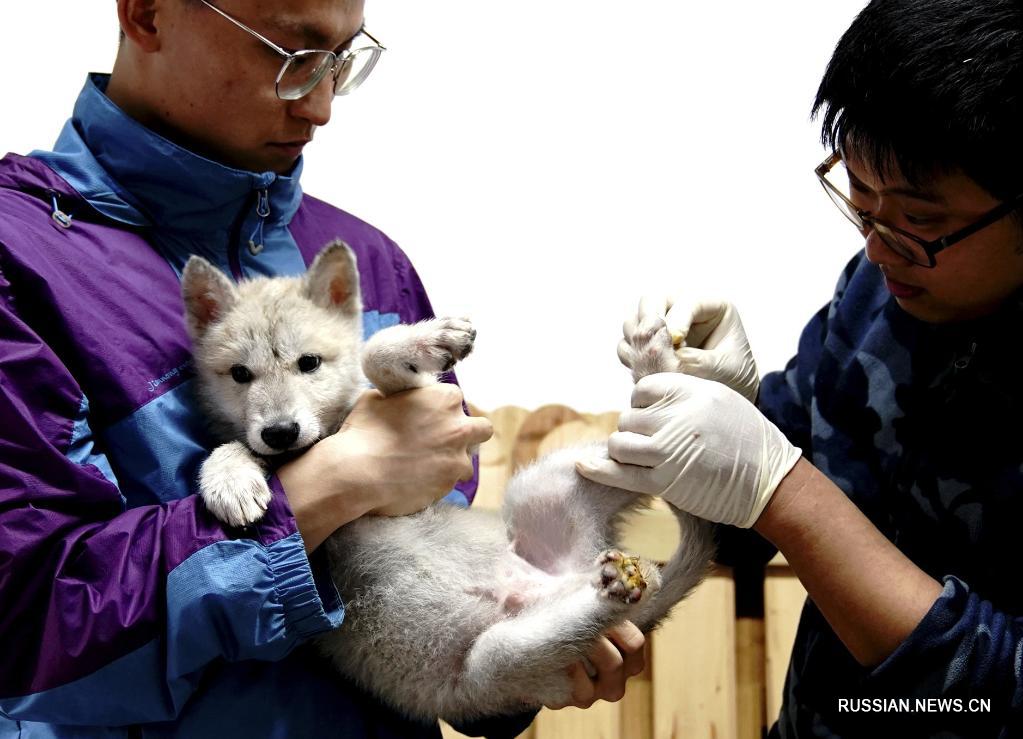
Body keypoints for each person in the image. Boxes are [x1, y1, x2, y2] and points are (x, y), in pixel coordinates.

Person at [0, 1, 644, 737]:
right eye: (291, 54)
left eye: (342, 58)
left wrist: (533, 651)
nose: (321, 104)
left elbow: (435, 560)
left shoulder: (366, 261)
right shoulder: (22, 262)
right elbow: (29, 634)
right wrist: (327, 486)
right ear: (147, 13)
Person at [579, 0, 1023, 736]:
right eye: (858, 192)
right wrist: (721, 406)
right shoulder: (879, 295)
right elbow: (758, 506)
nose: (878, 248)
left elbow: (999, 689)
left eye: (920, 220)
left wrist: (783, 490)